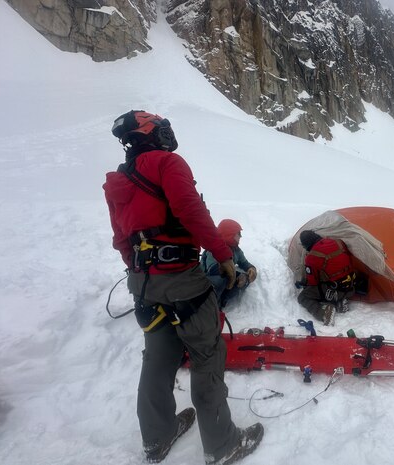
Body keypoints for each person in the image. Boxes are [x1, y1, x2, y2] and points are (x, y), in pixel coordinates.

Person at [103, 110, 263, 464]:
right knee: (207, 355)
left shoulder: (118, 180)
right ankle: (222, 445)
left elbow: (121, 239)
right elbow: (190, 211)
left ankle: (156, 438)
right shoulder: (167, 163)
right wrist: (221, 255)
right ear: (152, 133)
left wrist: (142, 271)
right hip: (183, 280)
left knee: (158, 358)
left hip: (144, 285)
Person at [296, 230, 355, 326]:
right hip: (350, 287)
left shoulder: (311, 257)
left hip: (335, 291)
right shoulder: (337, 242)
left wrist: (305, 283)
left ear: (306, 245)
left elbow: (313, 282)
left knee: (303, 297)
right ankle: (340, 302)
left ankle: (324, 313)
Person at [202, 219, 257, 308]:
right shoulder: (214, 249)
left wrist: (251, 269)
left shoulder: (236, 250)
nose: (241, 236)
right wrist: (235, 274)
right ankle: (211, 305)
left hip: (224, 284)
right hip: (206, 284)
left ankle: (223, 299)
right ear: (229, 234)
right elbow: (213, 271)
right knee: (220, 278)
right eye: (238, 233)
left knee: (244, 279)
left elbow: (244, 263)